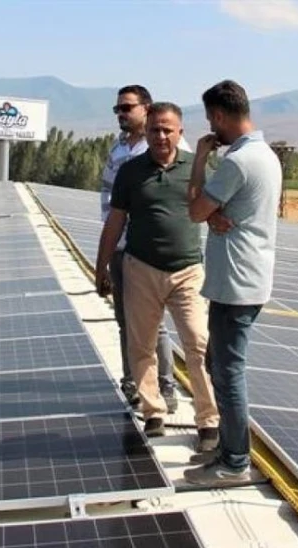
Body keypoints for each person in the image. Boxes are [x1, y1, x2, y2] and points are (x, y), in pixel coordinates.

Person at [95, 102, 220, 449]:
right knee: (141, 344)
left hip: (187, 271)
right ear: (146, 132)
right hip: (141, 269)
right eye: (154, 130)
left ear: (180, 132)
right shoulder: (131, 171)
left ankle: (208, 420)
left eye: (168, 129)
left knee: (198, 343)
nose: (161, 135)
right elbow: (115, 221)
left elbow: (213, 206)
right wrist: (101, 266)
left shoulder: (195, 167)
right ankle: (153, 412)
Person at [184, 80, 282, 487]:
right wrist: (213, 214)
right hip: (245, 279)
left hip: (236, 283)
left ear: (221, 116)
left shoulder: (237, 162)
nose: (211, 129)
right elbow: (214, 211)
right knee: (218, 366)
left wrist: (200, 158)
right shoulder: (266, 155)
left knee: (228, 372)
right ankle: (227, 452)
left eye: (211, 120)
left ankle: (235, 463)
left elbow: (193, 208)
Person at [99, 85, 188, 414]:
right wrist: (108, 254)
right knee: (126, 321)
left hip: (152, 254)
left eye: (126, 108)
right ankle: (132, 379)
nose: (121, 114)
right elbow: (108, 201)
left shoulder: (170, 147)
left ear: (146, 108)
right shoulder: (119, 148)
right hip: (122, 250)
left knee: (156, 325)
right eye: (117, 109)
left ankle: (165, 386)